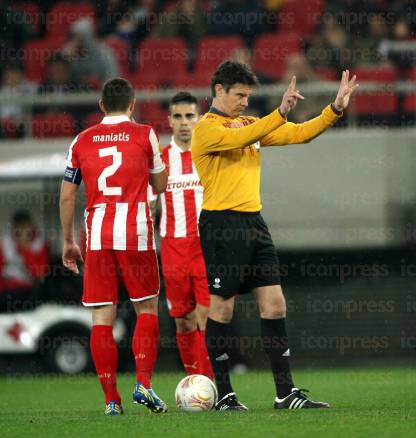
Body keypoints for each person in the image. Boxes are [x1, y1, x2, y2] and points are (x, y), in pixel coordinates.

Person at [191, 61, 358, 411]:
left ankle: (286, 394)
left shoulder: (252, 124)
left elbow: (299, 133)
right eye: (239, 95)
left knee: (275, 304)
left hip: (254, 223)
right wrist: (279, 112)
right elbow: (241, 138)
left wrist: (334, 110)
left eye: (248, 96)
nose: (244, 102)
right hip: (222, 224)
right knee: (221, 309)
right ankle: (224, 395)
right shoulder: (205, 129)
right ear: (218, 90)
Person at [60, 77, 169, 416]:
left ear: (101, 106)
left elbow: (67, 194)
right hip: (135, 230)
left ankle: (111, 400)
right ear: (133, 104)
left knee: (101, 317)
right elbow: (160, 183)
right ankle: (143, 385)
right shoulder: (145, 133)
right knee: (146, 309)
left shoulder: (81, 140)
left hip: (98, 233)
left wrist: (68, 241)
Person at [155, 92, 213, 379]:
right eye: (178, 116)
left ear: (199, 119)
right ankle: (193, 381)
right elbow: (147, 204)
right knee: (184, 322)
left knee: (207, 319)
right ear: (169, 121)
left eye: (190, 116)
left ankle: (208, 385)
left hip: (207, 249)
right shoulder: (159, 162)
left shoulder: (211, 156)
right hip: (173, 249)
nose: (184, 122)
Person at [0, 210, 49, 313]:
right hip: (7, 289)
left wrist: (25, 251)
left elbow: (39, 274)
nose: (22, 232)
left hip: (30, 290)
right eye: (19, 229)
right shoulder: (5, 244)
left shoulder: (39, 245)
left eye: (25, 228)